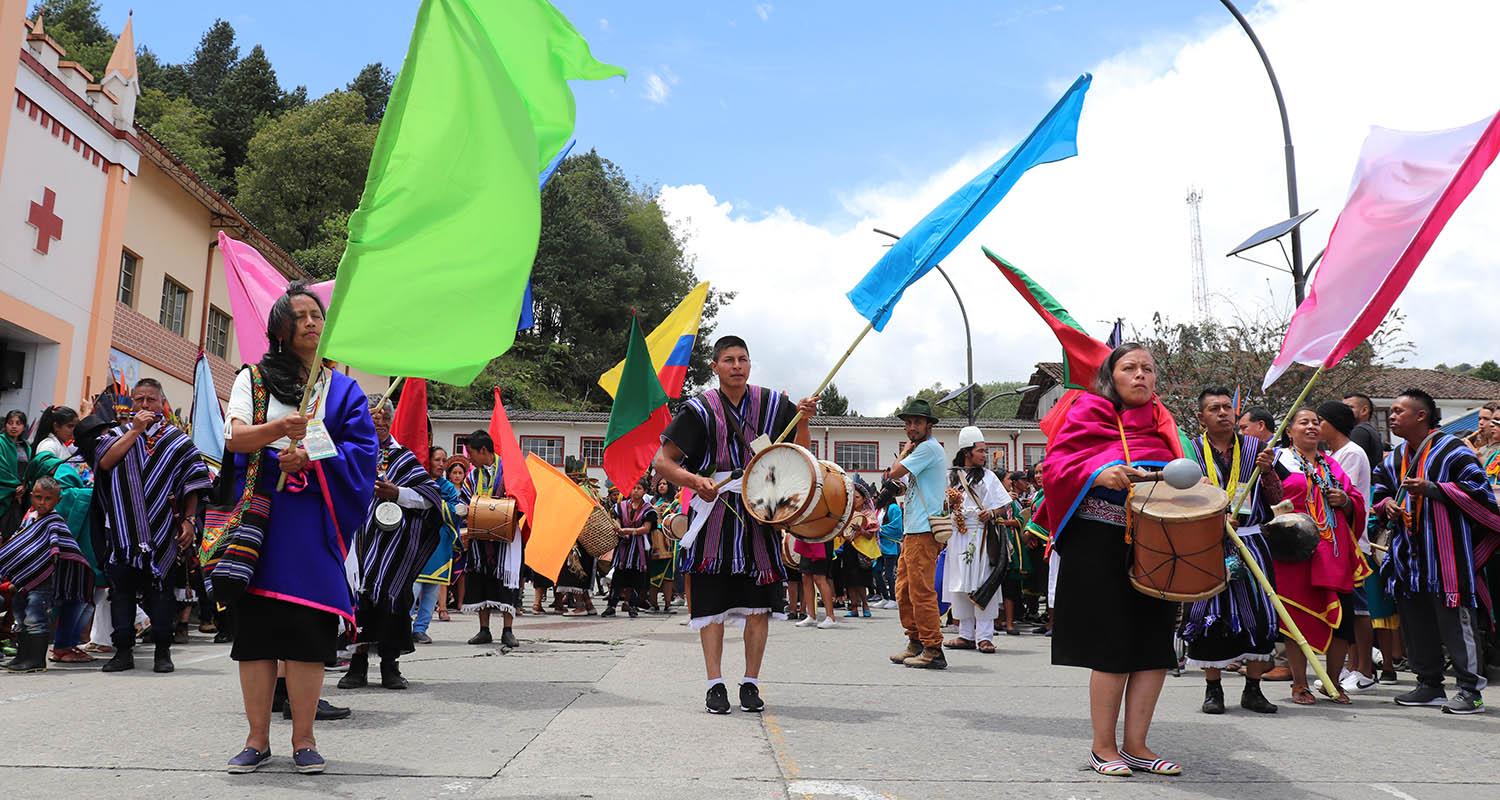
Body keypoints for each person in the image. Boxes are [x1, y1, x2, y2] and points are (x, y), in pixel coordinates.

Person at [221, 281, 378, 774]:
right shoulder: (254, 379)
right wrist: (278, 433)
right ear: (280, 329)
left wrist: (311, 457)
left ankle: (305, 741)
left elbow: (363, 452)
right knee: (257, 638)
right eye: (302, 316)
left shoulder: (344, 389)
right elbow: (235, 440)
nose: (313, 322)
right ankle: (256, 739)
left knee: (309, 636)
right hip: (261, 524)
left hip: (314, 523)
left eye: (318, 315)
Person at [650, 335, 819, 714]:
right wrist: (695, 481)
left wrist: (804, 419)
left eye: (743, 359)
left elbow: (799, 451)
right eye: (729, 360)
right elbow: (663, 462)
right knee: (712, 607)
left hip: (761, 513)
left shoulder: (774, 405)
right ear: (715, 367)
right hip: (714, 515)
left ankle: (750, 683)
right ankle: (714, 685)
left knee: (759, 607)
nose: (737, 366)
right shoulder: (699, 410)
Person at [1042, 343, 1184, 777]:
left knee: (1154, 645)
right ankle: (1103, 748)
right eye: (1130, 368)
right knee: (1112, 645)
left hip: (1157, 543)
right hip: (1100, 541)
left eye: (1148, 368)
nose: (1141, 375)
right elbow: (1054, 468)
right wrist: (1095, 474)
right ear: (1112, 376)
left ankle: (1137, 745)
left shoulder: (1163, 424)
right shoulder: (1087, 413)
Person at [1373, 389, 1500, 715]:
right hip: (1408, 558)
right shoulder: (1394, 457)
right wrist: (1387, 505)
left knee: (1456, 623)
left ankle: (1470, 690)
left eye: (1399, 411)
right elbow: (1381, 491)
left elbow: (1482, 495)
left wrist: (1433, 488)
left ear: (1421, 416)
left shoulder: (1454, 450)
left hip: (1447, 557)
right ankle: (1429, 684)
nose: (1392, 416)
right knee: (1415, 623)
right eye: (1392, 412)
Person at [94, 379, 213, 674]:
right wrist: (134, 431)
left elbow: (192, 485)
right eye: (139, 399)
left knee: (161, 592)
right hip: (122, 530)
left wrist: (188, 520)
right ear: (132, 403)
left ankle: (163, 651)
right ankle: (123, 651)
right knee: (120, 593)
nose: (145, 405)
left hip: (164, 530)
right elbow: (106, 463)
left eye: (151, 400)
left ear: (162, 403)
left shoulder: (178, 440)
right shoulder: (117, 434)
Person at [1181, 387, 1282, 715]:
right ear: (1202, 417)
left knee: (1262, 611)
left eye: (1228, 407)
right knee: (1208, 614)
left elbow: (1276, 495)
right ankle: (1213, 690)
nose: (1223, 412)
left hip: (1252, 540)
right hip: (1206, 542)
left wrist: (1267, 471)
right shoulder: (1190, 452)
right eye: (1214, 408)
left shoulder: (1257, 448)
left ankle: (1253, 689)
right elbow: (1177, 498)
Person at [340, 396, 441, 691]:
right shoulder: (349, 452)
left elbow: (429, 497)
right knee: (356, 601)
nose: (380, 422)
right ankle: (356, 667)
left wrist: (397, 493)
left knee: (391, 603)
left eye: (385, 416)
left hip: (392, 549)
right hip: (354, 542)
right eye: (373, 416)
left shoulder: (403, 457)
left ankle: (390, 666)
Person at [1270, 408, 1368, 707]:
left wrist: (1346, 502)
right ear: (1290, 430)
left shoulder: (1331, 464)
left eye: (1316, 422)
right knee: (1296, 617)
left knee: (1343, 622)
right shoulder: (1277, 460)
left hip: (1334, 553)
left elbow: (1356, 498)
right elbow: (1268, 498)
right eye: (1304, 423)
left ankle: (1333, 682)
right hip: (1297, 551)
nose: (1311, 427)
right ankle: (1300, 684)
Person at [1316, 400, 1378, 696]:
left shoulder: (1352, 453)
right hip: (1336, 542)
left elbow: (1345, 493)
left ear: (1333, 423)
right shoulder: (1332, 454)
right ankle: (1348, 667)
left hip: (1353, 541)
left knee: (1359, 607)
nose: (1315, 426)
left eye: (1319, 421)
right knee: (1345, 608)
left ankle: (1364, 669)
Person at [0, 476, 90, 672]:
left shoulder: (55, 523)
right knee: (21, 617)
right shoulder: (29, 518)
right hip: (22, 581)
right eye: (38, 497)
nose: (42, 502)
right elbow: (22, 547)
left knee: (35, 617)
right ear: (31, 496)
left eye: (48, 498)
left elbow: (65, 549)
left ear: (58, 500)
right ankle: (22, 656)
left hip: (43, 581)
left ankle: (36, 659)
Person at [887, 398, 948, 670]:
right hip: (912, 531)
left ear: (929, 425)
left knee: (920, 591)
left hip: (923, 532)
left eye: (917, 422)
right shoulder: (924, 450)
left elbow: (894, 472)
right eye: (908, 422)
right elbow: (903, 485)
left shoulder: (927, 450)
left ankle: (933, 648)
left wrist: (906, 449)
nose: (911, 427)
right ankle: (916, 641)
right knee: (904, 591)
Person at [941, 426, 1009, 654]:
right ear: (967, 452)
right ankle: (966, 635)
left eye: (985, 451)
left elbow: (1002, 505)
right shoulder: (951, 476)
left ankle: (985, 636)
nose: (984, 455)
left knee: (982, 582)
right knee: (960, 584)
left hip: (980, 534)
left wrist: (990, 513)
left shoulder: (989, 477)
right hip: (957, 534)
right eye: (980, 451)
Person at [456, 430, 521, 648]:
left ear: (484, 451)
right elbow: (463, 502)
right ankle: (484, 630)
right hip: (479, 541)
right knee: (479, 580)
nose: (469, 458)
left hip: (504, 540)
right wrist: (463, 512)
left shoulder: (510, 472)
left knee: (505, 582)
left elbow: (522, 500)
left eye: (471, 453)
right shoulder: (472, 477)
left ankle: (508, 630)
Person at [413, 448, 464, 641]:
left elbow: (454, 510)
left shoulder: (448, 487)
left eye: (444, 460)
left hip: (440, 543)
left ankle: (421, 628)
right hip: (417, 541)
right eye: (437, 460)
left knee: (432, 589)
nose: (441, 464)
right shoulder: (417, 481)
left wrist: (437, 505)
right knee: (413, 586)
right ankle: (403, 624)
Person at [603, 479, 656, 618]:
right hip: (623, 548)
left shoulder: (649, 510)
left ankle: (633, 606)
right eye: (633, 488)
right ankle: (611, 606)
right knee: (617, 577)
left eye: (639, 488)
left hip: (639, 549)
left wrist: (629, 531)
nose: (636, 491)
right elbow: (617, 521)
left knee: (637, 578)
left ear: (645, 491)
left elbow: (646, 528)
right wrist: (618, 528)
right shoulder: (620, 506)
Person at [840, 481, 879, 619]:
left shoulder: (868, 514)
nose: (855, 500)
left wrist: (861, 530)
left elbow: (870, 535)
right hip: (849, 549)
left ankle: (865, 605)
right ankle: (854, 607)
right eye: (853, 497)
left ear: (864, 499)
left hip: (862, 552)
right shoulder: (847, 514)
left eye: (857, 497)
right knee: (849, 580)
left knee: (860, 580)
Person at [874, 483, 903, 610]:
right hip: (879, 545)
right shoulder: (881, 510)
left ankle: (894, 598)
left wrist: (878, 529)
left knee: (890, 574)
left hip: (890, 545)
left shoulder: (894, 508)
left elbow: (897, 527)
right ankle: (884, 597)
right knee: (876, 571)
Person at [1, 409, 30, 535]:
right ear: (5, 425)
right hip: (5, 493)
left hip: (21, 494)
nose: (14, 426)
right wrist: (16, 487)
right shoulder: (1, 442)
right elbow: (1, 469)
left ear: (24, 427)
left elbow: (29, 469)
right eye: (10, 422)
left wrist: (24, 486)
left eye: (18, 423)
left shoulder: (25, 445)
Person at [1342, 393, 1387, 471]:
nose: (1344, 411)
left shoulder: (1359, 431)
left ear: (1364, 410)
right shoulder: (1369, 430)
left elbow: (1351, 466)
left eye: (1349, 407)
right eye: (1342, 408)